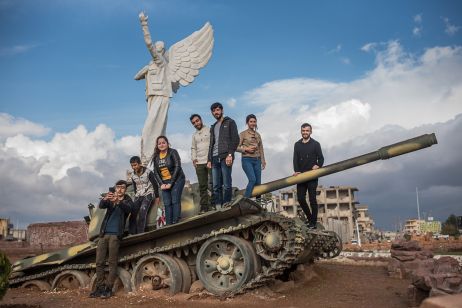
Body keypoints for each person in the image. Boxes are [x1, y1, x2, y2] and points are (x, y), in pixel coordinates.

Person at [134, 12, 214, 166]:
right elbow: (136, 76)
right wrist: (147, 71)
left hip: (161, 96)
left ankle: (147, 161)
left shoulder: (161, 62)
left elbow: (148, 43)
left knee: (149, 130)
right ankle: (153, 160)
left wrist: (144, 24)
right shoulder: (153, 65)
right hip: (153, 96)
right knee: (154, 130)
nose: (156, 51)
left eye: (159, 49)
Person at [89, 180, 133, 299]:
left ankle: (108, 288)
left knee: (112, 262)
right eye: (117, 187)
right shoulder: (110, 200)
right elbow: (102, 206)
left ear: (125, 189)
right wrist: (105, 199)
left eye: (122, 187)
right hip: (103, 234)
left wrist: (118, 201)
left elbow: (129, 209)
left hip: (115, 235)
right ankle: (99, 288)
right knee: (99, 262)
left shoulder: (127, 200)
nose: (119, 189)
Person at [207, 102, 239, 207]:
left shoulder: (230, 122)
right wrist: (209, 159)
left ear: (222, 110)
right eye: (214, 111)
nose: (216, 112)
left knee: (226, 184)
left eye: (217, 110)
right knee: (216, 185)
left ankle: (226, 203)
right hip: (214, 158)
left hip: (226, 156)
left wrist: (230, 154)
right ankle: (218, 206)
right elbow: (211, 144)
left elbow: (235, 139)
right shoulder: (213, 127)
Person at [293, 123, 324, 229]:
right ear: (301, 131)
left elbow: (321, 158)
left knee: (312, 200)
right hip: (301, 176)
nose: (305, 132)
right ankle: (310, 218)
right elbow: (295, 159)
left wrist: (318, 165)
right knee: (301, 199)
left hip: (312, 176)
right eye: (303, 131)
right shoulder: (297, 144)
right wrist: (296, 171)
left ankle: (313, 223)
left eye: (307, 131)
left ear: (311, 132)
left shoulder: (316, 144)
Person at [152, 136, 186, 225]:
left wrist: (171, 183)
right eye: (159, 143)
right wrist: (161, 184)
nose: (161, 145)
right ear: (157, 145)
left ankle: (176, 222)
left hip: (177, 179)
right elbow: (155, 172)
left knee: (175, 200)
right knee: (167, 203)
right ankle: (169, 224)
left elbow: (177, 166)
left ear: (167, 143)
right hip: (164, 182)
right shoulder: (156, 157)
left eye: (163, 142)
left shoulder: (173, 152)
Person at [128, 156, 160, 234]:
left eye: (135, 165)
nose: (134, 167)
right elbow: (135, 186)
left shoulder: (148, 172)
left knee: (143, 211)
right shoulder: (133, 175)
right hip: (139, 195)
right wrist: (136, 196)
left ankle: (140, 233)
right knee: (133, 213)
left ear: (140, 164)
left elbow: (155, 184)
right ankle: (132, 233)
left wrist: (157, 196)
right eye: (132, 165)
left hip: (148, 193)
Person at [237, 114, 266, 198]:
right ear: (247, 123)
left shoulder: (258, 135)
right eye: (251, 122)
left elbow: (261, 148)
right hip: (247, 160)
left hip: (257, 160)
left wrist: (263, 161)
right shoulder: (243, 134)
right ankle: (245, 200)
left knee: (258, 183)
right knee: (252, 180)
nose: (253, 123)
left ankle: (258, 203)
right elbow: (235, 147)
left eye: (254, 121)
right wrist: (246, 149)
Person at [190, 114, 212, 213]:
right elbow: (193, 148)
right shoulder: (194, 135)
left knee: (213, 183)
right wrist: (194, 159)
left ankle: (215, 203)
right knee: (202, 186)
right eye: (193, 123)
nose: (196, 123)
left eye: (197, 121)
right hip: (199, 163)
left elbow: (213, 144)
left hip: (210, 161)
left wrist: (211, 159)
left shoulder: (209, 130)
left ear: (201, 119)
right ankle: (204, 207)